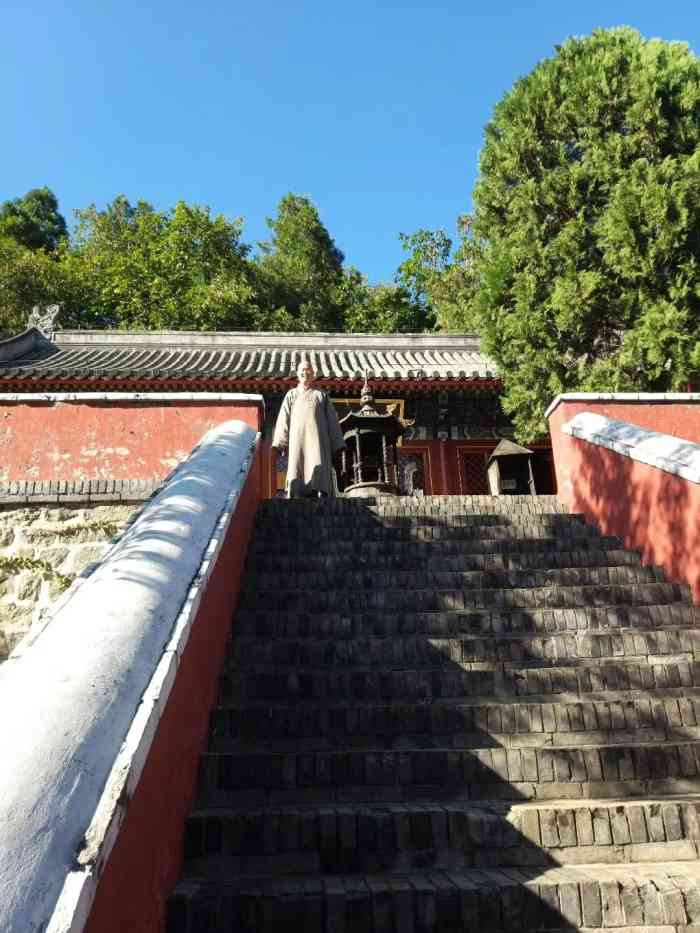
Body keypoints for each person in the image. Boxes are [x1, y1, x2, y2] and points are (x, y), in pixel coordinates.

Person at [271, 360, 345, 498]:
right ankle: (295, 490)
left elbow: (332, 421)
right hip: (297, 439)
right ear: (298, 374)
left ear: (313, 374)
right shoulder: (291, 395)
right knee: (297, 464)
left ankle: (320, 490)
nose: (306, 372)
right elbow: (283, 419)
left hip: (318, 439)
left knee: (318, 460)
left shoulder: (321, 395)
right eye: (303, 370)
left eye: (308, 370)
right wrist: (280, 442)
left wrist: (337, 443)